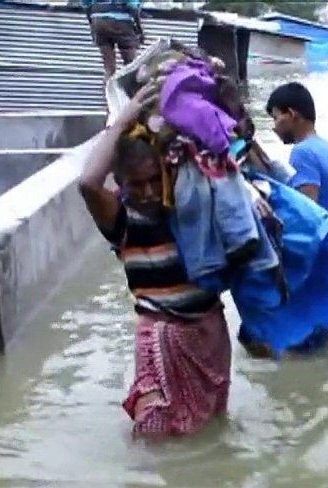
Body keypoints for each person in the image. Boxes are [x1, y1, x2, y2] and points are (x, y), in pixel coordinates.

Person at [77, 83, 232, 439]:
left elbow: (222, 153)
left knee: (212, 426)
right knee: (153, 434)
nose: (147, 192)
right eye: (136, 184)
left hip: (209, 331)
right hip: (160, 336)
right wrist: (121, 121)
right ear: (120, 183)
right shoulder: (122, 220)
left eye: (153, 180)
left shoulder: (189, 205)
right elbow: (87, 184)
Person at [266, 82, 328, 224]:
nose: (274, 126)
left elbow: (306, 215)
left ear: (291, 114)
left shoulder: (302, 152)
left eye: (275, 118)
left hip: (317, 239)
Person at [80, 0, 144, 85]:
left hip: (98, 21)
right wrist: (139, 30)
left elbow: (86, 5)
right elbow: (134, 7)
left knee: (109, 68)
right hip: (120, 23)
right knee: (131, 64)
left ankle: (106, 91)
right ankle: (130, 89)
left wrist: (92, 24)